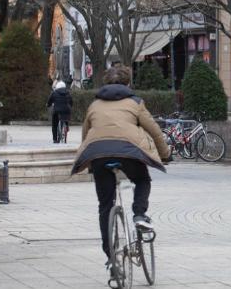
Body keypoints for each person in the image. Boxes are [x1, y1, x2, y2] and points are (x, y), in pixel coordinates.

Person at [69, 65, 170, 281]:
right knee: (142, 180)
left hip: (98, 153)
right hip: (128, 151)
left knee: (105, 206)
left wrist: (88, 161)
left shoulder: (95, 104)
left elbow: (86, 134)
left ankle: (111, 257)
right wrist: (165, 154)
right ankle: (139, 215)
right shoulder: (135, 102)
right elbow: (153, 129)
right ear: (128, 83)